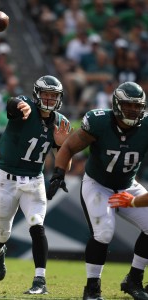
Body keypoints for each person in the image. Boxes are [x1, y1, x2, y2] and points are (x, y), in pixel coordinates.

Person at [46, 81, 148, 300]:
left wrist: (132, 200)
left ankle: (134, 280)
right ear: (117, 104)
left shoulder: (146, 127)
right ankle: (92, 289)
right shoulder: (99, 122)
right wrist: (58, 172)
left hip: (127, 184)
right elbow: (70, 147)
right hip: (98, 183)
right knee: (104, 232)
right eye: (128, 105)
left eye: (137, 106)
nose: (133, 110)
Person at [0, 75, 72, 295]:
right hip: (7, 180)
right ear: (37, 94)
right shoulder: (26, 108)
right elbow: (12, 103)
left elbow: (64, 155)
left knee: (37, 225)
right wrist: (18, 105)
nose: (48, 98)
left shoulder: (60, 122)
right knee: (1, 234)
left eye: (53, 95)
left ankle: (40, 281)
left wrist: (59, 173)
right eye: (45, 94)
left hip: (34, 181)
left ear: (59, 98)